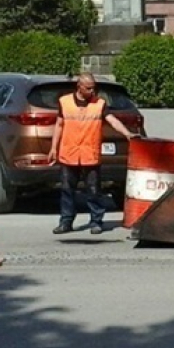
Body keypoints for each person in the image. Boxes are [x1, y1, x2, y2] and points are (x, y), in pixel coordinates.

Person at [48, 73, 137, 235]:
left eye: (94, 88)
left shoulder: (100, 104)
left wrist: (127, 134)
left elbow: (112, 120)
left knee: (94, 190)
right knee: (67, 190)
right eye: (88, 88)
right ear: (79, 87)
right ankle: (66, 222)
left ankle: (96, 221)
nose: (92, 91)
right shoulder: (65, 102)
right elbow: (59, 125)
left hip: (90, 154)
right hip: (69, 153)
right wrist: (54, 148)